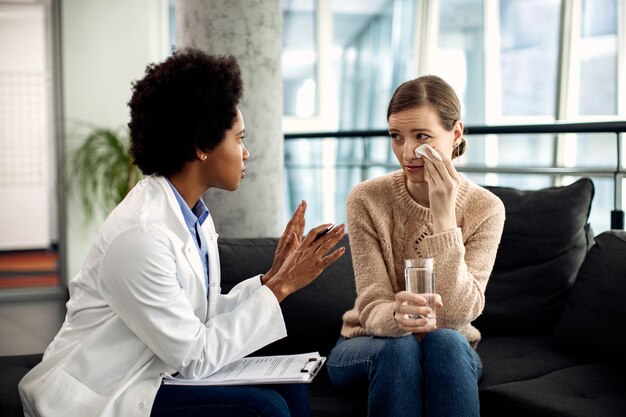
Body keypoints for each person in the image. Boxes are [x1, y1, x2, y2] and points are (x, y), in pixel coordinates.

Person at [19, 48, 345, 417]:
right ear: (201, 146)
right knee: (264, 408)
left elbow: (198, 318)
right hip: (107, 392)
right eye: (239, 138)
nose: (247, 152)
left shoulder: (192, 215)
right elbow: (195, 357)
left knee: (291, 387)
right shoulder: (139, 235)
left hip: (157, 371)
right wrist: (281, 288)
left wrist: (271, 279)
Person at [326, 75, 505, 417]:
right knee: (399, 347)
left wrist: (443, 218)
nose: (407, 153)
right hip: (368, 341)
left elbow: (454, 316)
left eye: (421, 136)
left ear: (455, 134)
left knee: (447, 341)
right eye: (396, 137)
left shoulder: (486, 208)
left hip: (450, 347)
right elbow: (371, 301)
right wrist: (396, 316)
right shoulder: (367, 199)